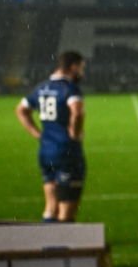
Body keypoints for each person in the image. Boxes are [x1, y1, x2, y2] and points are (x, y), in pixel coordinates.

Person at [15, 51, 87, 222]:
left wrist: (36, 133)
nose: (83, 73)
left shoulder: (42, 87)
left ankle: (44, 244)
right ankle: (62, 246)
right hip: (67, 152)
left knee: (50, 207)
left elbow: (21, 110)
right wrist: (75, 134)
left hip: (46, 151)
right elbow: (77, 112)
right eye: (82, 68)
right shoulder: (69, 88)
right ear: (73, 67)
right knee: (66, 211)